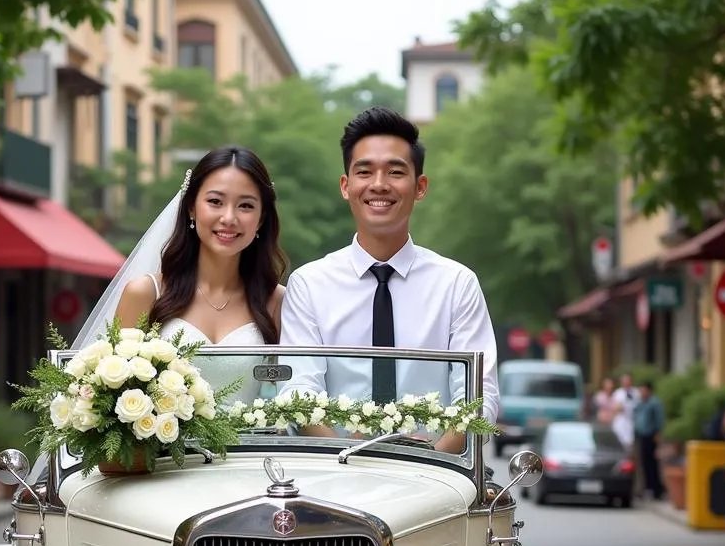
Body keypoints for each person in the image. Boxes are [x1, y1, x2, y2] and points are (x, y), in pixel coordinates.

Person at [277, 106, 500, 453]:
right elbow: (297, 393)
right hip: (334, 481)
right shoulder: (309, 284)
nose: (379, 184)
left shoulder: (456, 284)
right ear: (346, 186)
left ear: (420, 186)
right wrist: (348, 460)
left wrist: (429, 462)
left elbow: (478, 397)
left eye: (396, 171)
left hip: (434, 485)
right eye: (364, 171)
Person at [81, 146, 286, 405]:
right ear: (191, 207)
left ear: (261, 218)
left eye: (246, 205)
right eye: (215, 202)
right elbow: (112, 401)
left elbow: (293, 389)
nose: (229, 217)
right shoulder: (145, 294)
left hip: (254, 446)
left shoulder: (277, 301)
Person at [633, 381, 665, 500]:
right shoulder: (640, 403)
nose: (642, 393)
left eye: (644, 390)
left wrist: (657, 435)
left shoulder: (654, 403)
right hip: (641, 435)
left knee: (652, 463)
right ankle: (646, 487)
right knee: (643, 463)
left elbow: (659, 420)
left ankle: (656, 489)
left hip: (651, 435)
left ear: (649, 390)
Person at [610, 373, 638, 450]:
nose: (626, 382)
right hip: (621, 421)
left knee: (631, 444)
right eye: (624, 381)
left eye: (628, 380)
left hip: (632, 421)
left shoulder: (636, 392)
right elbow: (615, 407)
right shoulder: (618, 393)